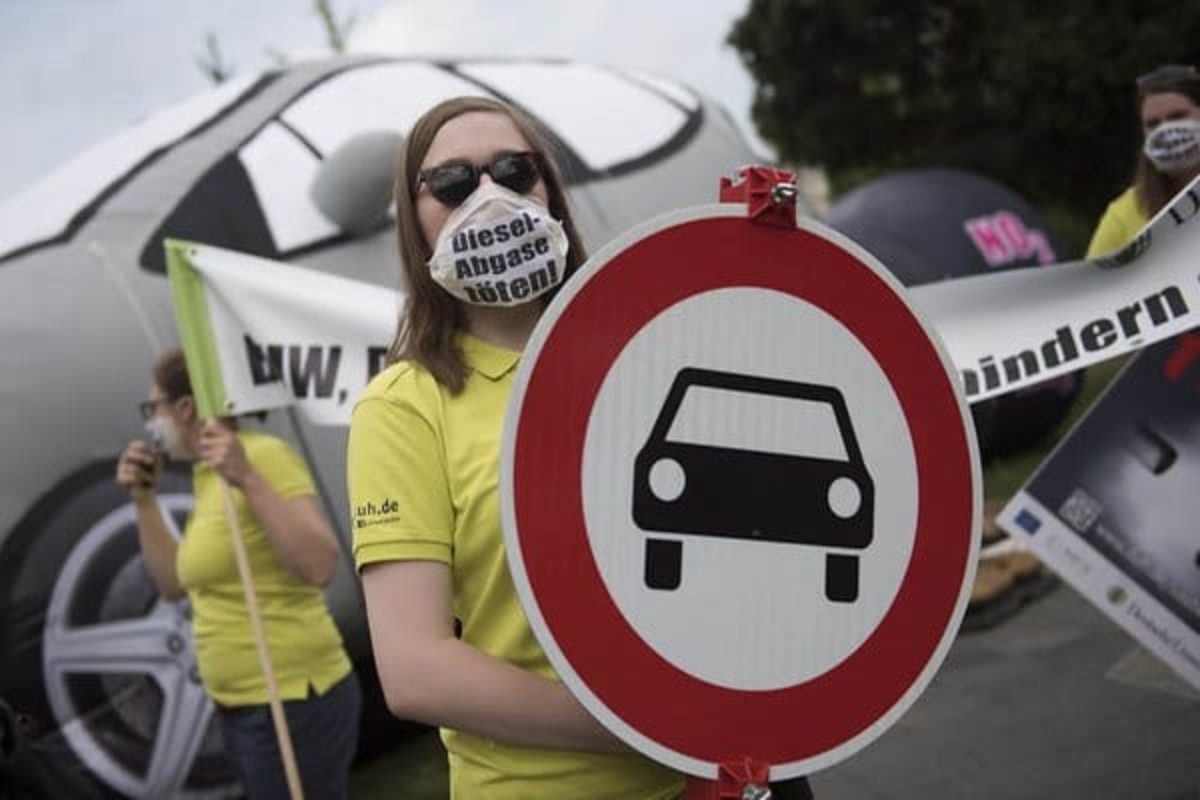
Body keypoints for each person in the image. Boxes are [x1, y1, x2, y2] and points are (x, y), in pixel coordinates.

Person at [348, 95, 814, 799]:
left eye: (515, 171)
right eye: (452, 183)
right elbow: (417, 671)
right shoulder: (404, 408)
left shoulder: (647, 345)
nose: (491, 197)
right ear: (414, 220)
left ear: (549, 190)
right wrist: (647, 725)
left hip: (739, 768)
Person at [115, 348, 360, 800]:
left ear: (184, 407)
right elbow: (172, 584)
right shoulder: (208, 477)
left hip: (293, 700)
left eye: (154, 408)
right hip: (244, 707)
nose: (151, 423)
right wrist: (143, 499)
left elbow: (320, 564)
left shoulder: (261, 456)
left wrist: (248, 477)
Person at [1088, 64, 1200, 258]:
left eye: (1178, 116)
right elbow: (1096, 275)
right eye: (1153, 124)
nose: (1166, 130)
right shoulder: (1123, 214)